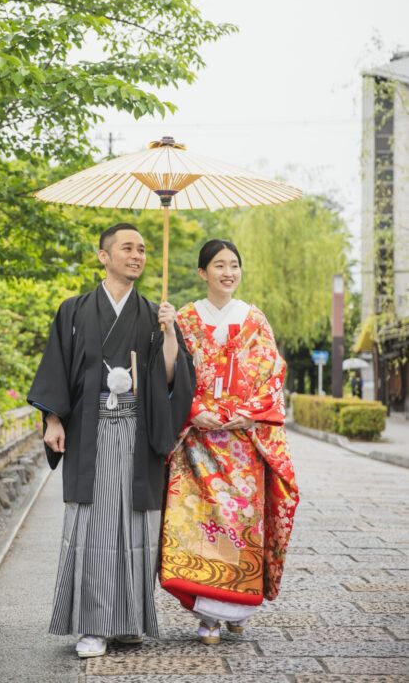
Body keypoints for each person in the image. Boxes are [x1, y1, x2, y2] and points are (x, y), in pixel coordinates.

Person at [27, 222, 195, 659]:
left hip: (138, 430)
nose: (137, 255)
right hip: (91, 428)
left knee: (138, 528)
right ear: (104, 256)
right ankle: (95, 626)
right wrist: (52, 419)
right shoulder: (74, 310)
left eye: (142, 249)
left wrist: (171, 333)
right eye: (127, 248)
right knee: (97, 527)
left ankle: (129, 623)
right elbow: (56, 369)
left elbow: (170, 378)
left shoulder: (151, 314)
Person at [159, 239, 299, 646]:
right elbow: (170, 376)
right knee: (199, 524)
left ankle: (239, 606)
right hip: (198, 441)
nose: (228, 272)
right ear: (202, 273)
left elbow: (272, 374)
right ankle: (209, 615)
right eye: (218, 265)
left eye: (234, 265)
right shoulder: (183, 318)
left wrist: (250, 412)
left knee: (241, 524)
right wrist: (192, 409)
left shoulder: (255, 320)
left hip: (242, 443)